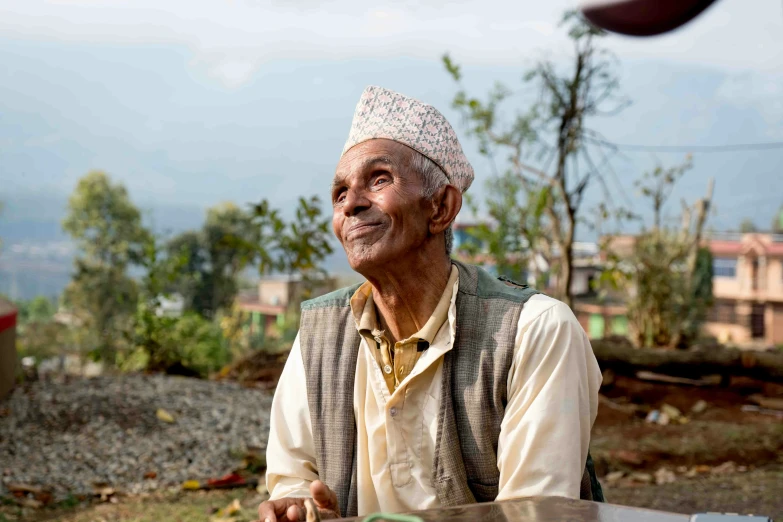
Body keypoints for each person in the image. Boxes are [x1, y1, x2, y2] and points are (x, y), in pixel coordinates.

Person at [257, 86, 603, 522]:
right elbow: (291, 477)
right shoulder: (319, 336)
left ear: (441, 207)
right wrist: (299, 507)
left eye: (379, 179)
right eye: (340, 193)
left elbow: (534, 513)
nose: (352, 204)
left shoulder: (536, 330)